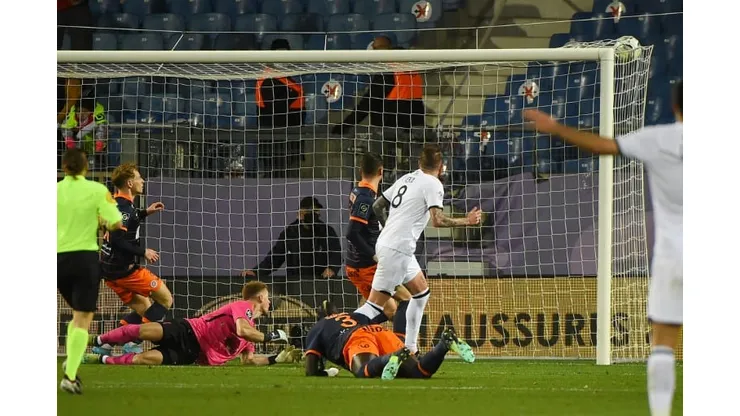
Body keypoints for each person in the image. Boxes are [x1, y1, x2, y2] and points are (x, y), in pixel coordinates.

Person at [523, 81, 683, 416]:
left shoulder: (658, 138)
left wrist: (555, 128)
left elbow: (602, 145)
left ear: (674, 106)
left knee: (663, 344)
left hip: (673, 257)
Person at [354, 144, 481, 357]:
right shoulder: (433, 184)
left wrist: (390, 228)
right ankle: (334, 335)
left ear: (419, 163)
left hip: (394, 246)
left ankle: (411, 349)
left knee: (421, 293)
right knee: (373, 308)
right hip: (397, 249)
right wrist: (467, 221)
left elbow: (377, 206)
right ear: (440, 167)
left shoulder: (407, 178)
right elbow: (437, 220)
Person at [84, 282, 297, 366]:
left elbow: (248, 361)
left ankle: (101, 359)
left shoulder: (252, 331)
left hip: (193, 354)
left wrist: (275, 359)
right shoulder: (242, 307)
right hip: (189, 330)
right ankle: (98, 340)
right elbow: (242, 330)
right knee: (143, 331)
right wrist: (270, 337)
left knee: (145, 359)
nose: (270, 302)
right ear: (260, 297)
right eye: (268, 298)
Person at [57, 148, 124, 394]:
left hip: (57, 259)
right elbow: (116, 222)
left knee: (77, 316)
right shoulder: (97, 190)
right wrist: (101, 220)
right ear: (86, 167)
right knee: (83, 318)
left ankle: (71, 361)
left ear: (64, 167)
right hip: (84, 259)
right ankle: (70, 376)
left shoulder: (54, 190)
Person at [97, 163, 173, 355]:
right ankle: (133, 341)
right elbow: (117, 240)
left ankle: (105, 345)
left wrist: (145, 212)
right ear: (130, 183)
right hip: (124, 270)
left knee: (145, 310)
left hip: (110, 271)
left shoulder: (121, 204)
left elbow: (129, 219)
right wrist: (143, 252)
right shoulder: (122, 208)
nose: (143, 181)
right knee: (166, 299)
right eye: (139, 177)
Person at [304, 301, 473, 380]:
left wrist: (328, 372)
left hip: (356, 338)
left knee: (363, 370)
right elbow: (388, 312)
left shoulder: (317, 328)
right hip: (379, 331)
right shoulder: (352, 315)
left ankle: (390, 358)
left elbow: (311, 370)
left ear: (319, 317)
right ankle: (444, 344)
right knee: (419, 372)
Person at [242, 196, 342, 307]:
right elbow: (275, 257)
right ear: (301, 214)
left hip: (320, 284)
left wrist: (332, 268)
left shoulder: (327, 231)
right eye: (311, 212)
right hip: (295, 286)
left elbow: (336, 254)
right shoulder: (290, 233)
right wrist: (256, 272)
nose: (316, 215)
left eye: (317, 212)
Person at [346, 152, 411, 321]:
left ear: (360, 170)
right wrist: (374, 255)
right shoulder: (365, 198)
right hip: (365, 267)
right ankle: (345, 329)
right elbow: (352, 233)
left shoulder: (359, 191)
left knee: (391, 306)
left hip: (362, 264)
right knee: (398, 305)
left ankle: (350, 328)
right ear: (381, 171)